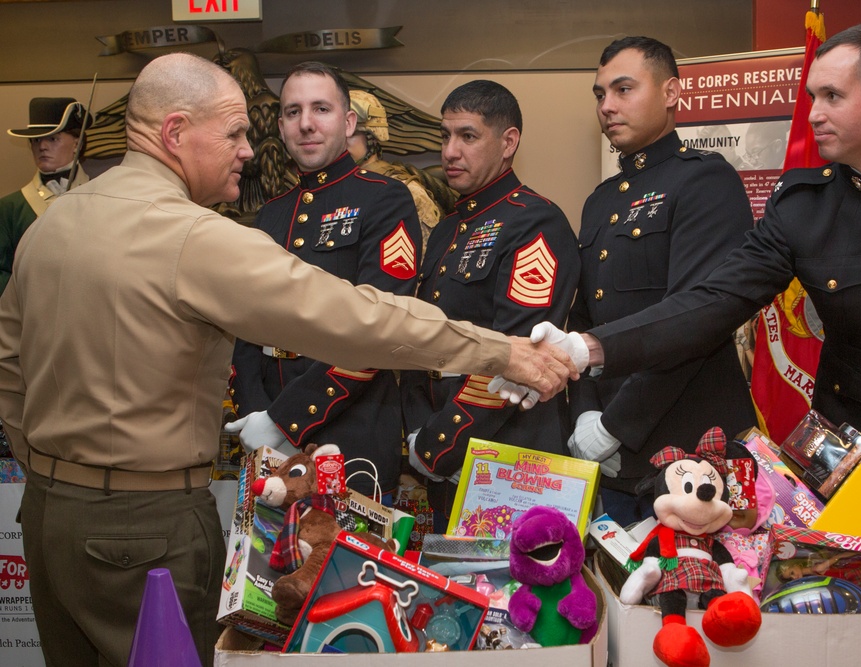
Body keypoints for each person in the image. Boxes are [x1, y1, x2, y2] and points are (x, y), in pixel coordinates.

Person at [0, 53, 576, 667]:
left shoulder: (50, 226)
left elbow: (10, 369)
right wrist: (500, 350)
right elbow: (355, 319)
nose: (249, 151)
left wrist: (51, 472)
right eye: (235, 133)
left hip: (47, 517)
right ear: (174, 133)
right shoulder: (190, 234)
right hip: (144, 528)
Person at [525, 23, 861, 667]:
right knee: (847, 629)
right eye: (811, 96)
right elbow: (710, 302)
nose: (814, 112)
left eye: (832, 96)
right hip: (846, 459)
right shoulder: (803, 207)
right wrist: (589, 348)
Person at [567, 36, 755, 525]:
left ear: (671, 92)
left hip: (692, 458)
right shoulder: (601, 201)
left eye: (624, 89)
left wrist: (615, 424)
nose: (607, 106)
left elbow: (694, 319)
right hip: (613, 459)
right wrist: (586, 415)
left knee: (695, 600)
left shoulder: (705, 181)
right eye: (599, 94)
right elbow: (583, 318)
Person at [228, 62, 422, 502]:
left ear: (348, 121)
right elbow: (246, 325)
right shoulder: (271, 214)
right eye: (293, 112)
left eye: (321, 108)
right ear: (280, 127)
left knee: (345, 571)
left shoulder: (385, 200)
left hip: (351, 437)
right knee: (270, 569)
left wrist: (284, 419)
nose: (307, 123)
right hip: (267, 442)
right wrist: (256, 412)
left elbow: (378, 326)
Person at [400, 80, 581, 532]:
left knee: (519, 599)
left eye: (467, 136)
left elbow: (516, 356)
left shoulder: (535, 221)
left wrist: (440, 443)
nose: (450, 152)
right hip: (447, 452)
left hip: (509, 454)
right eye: (444, 136)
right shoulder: (449, 227)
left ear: (508, 142)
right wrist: (421, 433)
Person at [0, 97, 90, 294]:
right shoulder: (11, 207)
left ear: (77, 143)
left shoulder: (102, 198)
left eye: (53, 139)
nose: (42, 147)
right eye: (36, 140)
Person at [346, 89, 445, 253]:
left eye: (351, 134)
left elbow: (424, 262)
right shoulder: (336, 189)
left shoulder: (407, 192)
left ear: (372, 137)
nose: (341, 143)